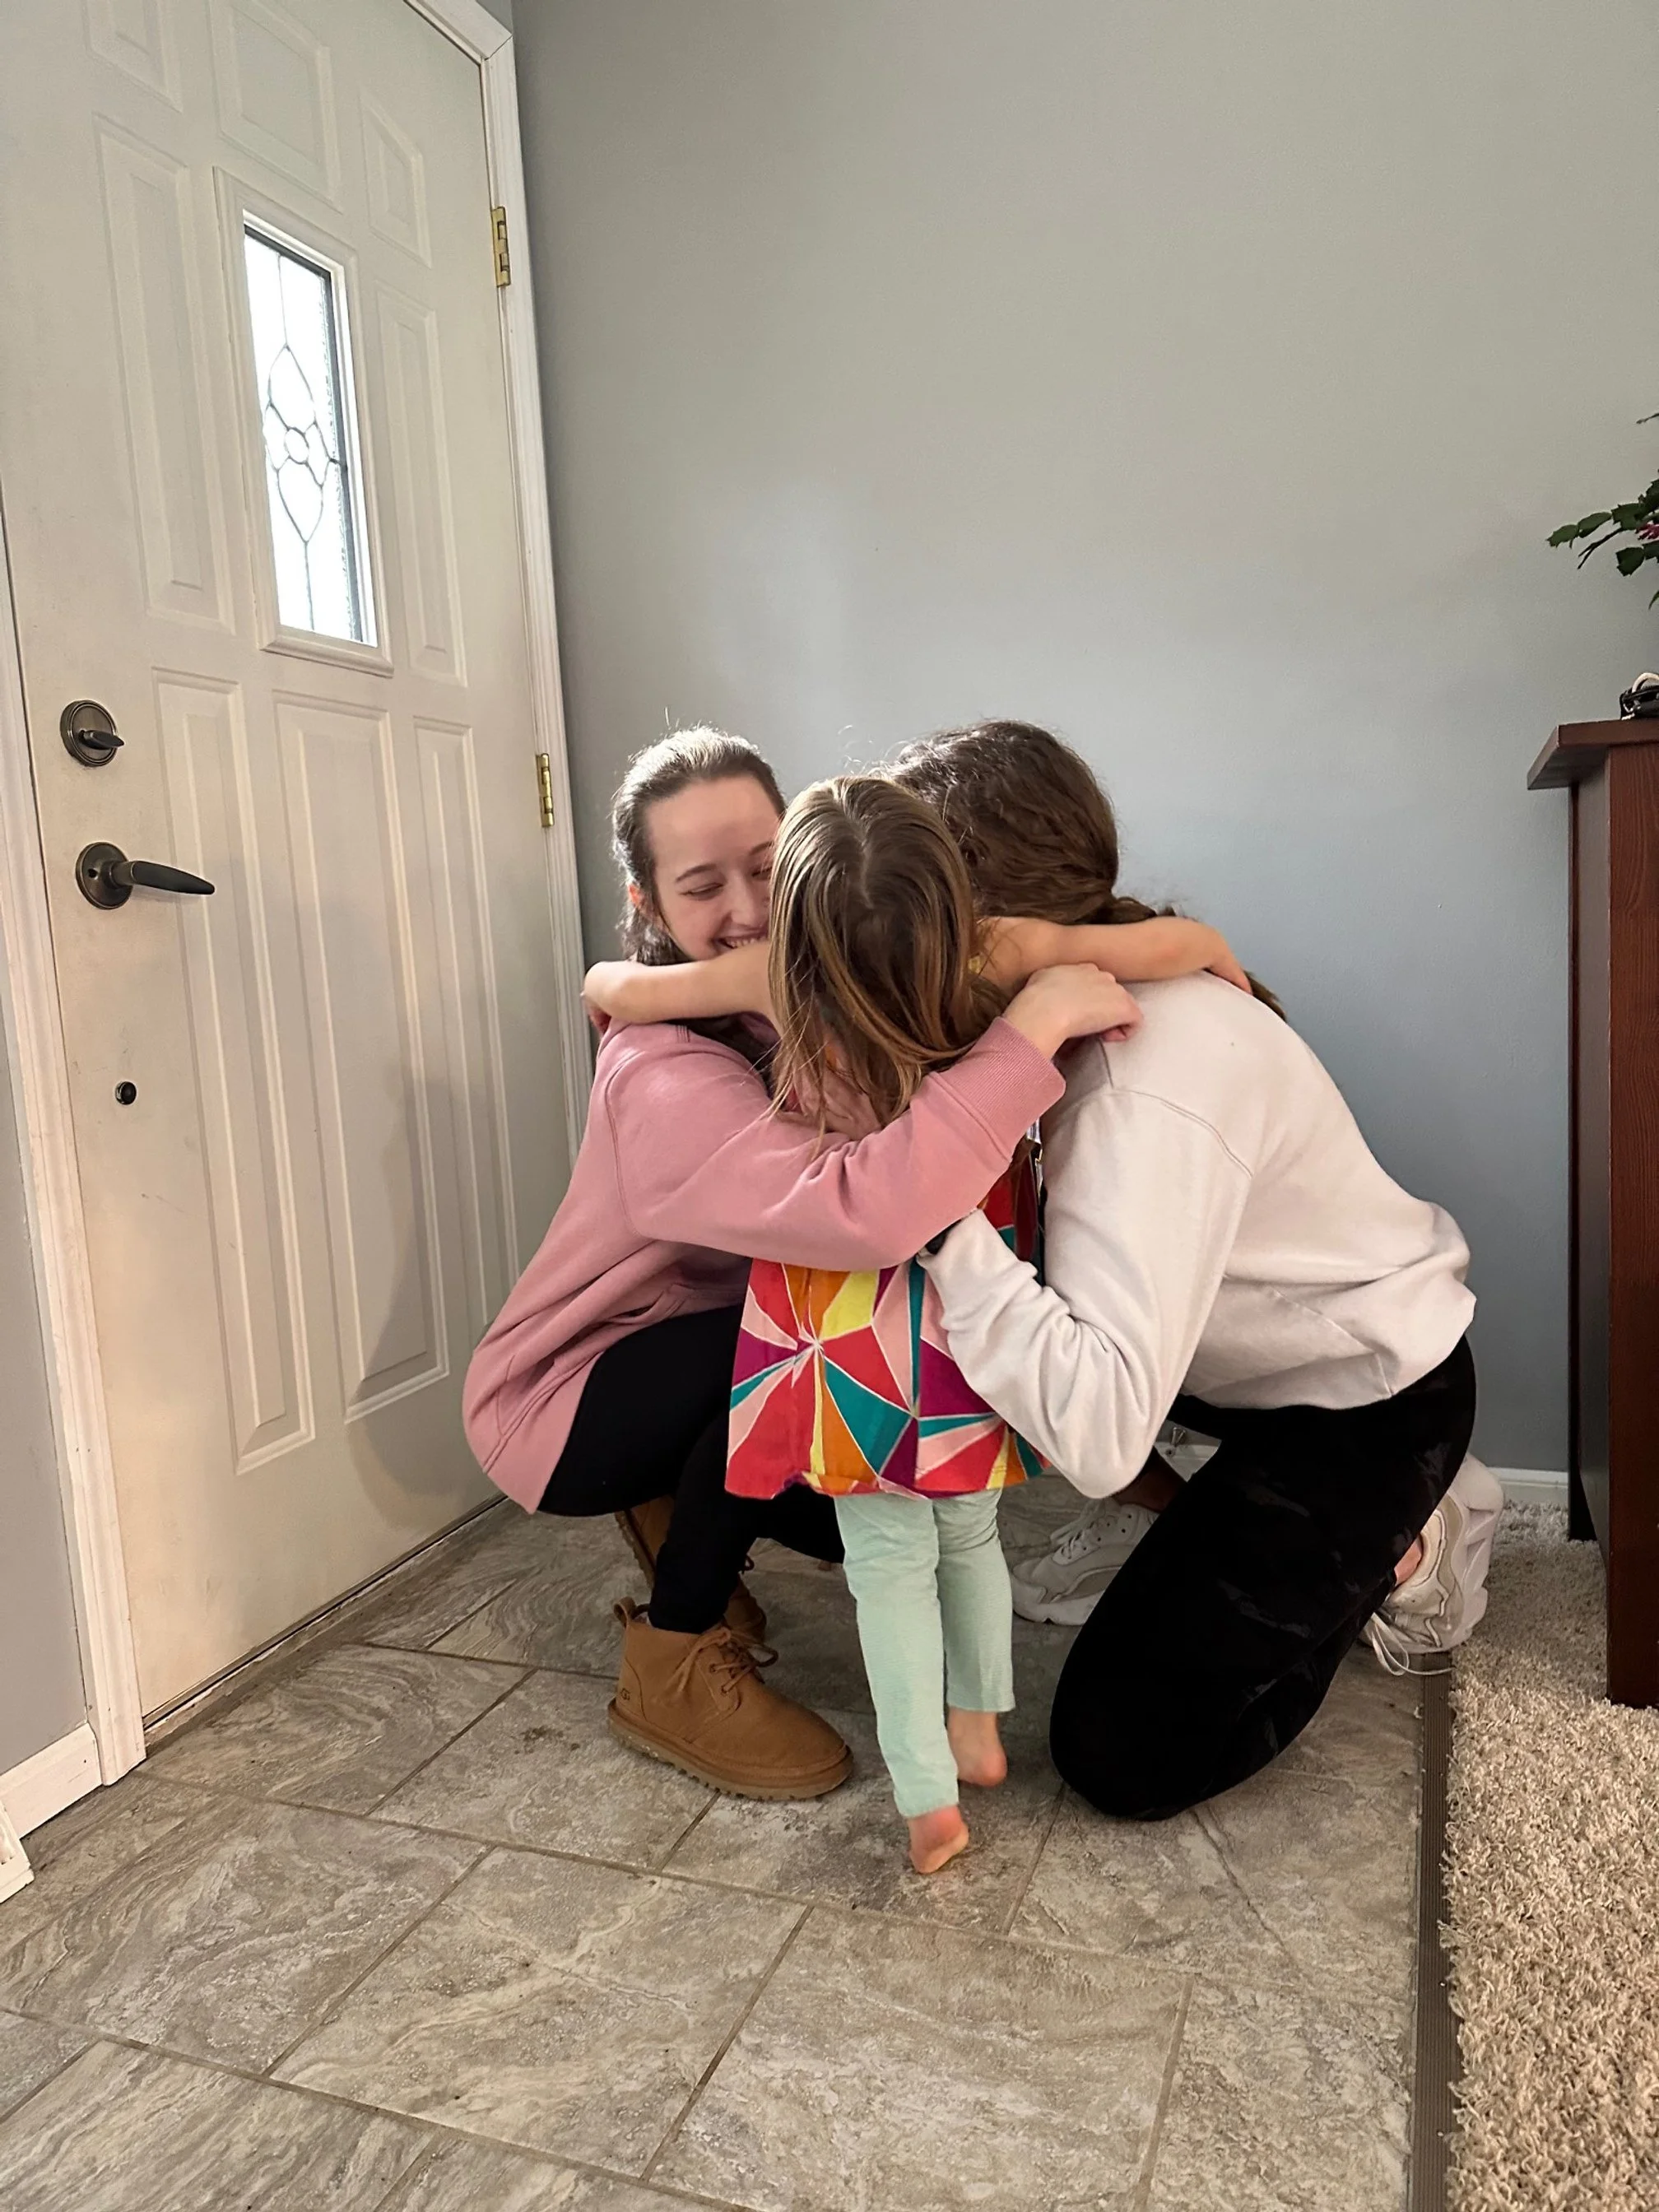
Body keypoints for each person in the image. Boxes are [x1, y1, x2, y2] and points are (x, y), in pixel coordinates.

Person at [463, 727, 1145, 1802]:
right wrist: (1030, 1042)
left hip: (704, 1344)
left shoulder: (807, 978)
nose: (744, 905)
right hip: (567, 1397)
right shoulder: (660, 1068)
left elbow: (1002, 948)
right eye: (700, 886)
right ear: (646, 903)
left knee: (887, 1490)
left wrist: (1187, 948)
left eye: (764, 865)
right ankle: (672, 1659)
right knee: (797, 1380)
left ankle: (685, 1495)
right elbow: (863, 1212)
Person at [889, 721, 1500, 1819]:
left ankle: (1411, 1549)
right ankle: (1226, 1520)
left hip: (1367, 1398)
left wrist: (934, 1225)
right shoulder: (1063, 1001)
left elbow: (1100, 1432)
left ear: (991, 933)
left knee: (1125, 1753)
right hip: (1231, 1369)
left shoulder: (1141, 1089)